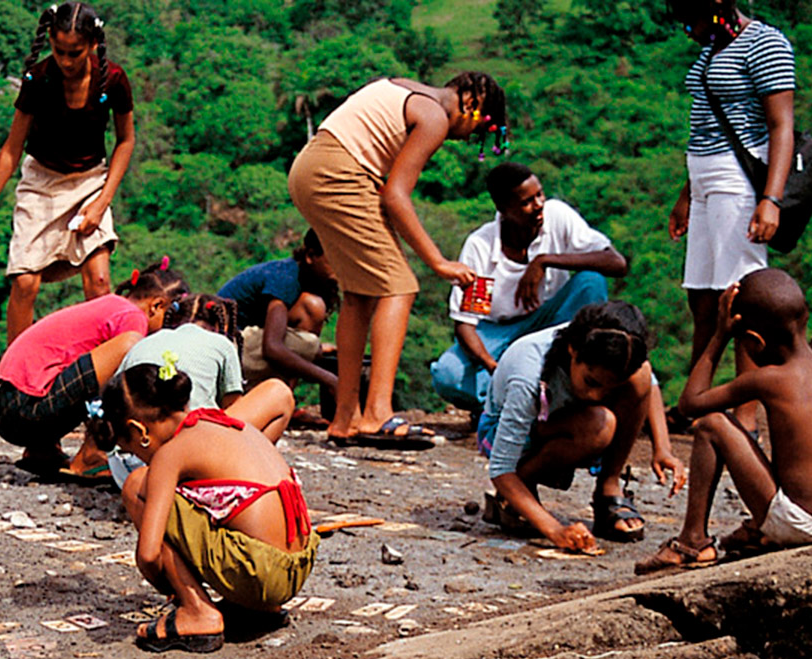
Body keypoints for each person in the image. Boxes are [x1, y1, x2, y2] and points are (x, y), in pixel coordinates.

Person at [288, 72, 507, 449]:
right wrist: (439, 262)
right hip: (339, 173)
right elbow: (396, 196)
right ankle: (377, 412)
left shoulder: (403, 85)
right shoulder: (435, 116)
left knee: (360, 293)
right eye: (480, 126)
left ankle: (345, 419)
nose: (469, 137)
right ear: (471, 101)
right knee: (400, 285)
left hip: (311, 168)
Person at [635, 268, 812, 574]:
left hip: (804, 525)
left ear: (753, 342)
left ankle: (692, 543)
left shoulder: (770, 379)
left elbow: (690, 404)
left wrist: (720, 335)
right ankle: (760, 530)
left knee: (712, 424)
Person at [88, 363, 318, 653]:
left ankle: (197, 611)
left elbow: (148, 554)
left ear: (139, 431)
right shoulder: (221, 422)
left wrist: (172, 585)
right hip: (297, 565)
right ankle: (255, 608)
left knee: (136, 485)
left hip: (258, 572)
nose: (139, 457)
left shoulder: (169, 454)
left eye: (132, 449)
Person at [0, 2, 135, 342]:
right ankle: (12, 381)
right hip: (41, 181)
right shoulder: (39, 79)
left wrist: (101, 202)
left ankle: (102, 370)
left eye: (75, 53)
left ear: (93, 45)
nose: (66, 61)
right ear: (49, 41)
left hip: (91, 180)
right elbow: (11, 148)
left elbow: (126, 141)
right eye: (59, 51)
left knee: (99, 281)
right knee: (24, 281)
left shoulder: (112, 79)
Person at [664, 0, 797, 433]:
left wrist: (771, 199)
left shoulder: (765, 43)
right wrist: (687, 193)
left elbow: (781, 125)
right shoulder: (712, 49)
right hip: (703, 179)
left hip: (737, 180)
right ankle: (695, 401)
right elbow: (705, 124)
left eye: (691, 17)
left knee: (741, 296)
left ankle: (747, 413)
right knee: (702, 297)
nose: (688, 29)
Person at [477, 301, 685, 553]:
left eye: (610, 387)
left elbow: (647, 384)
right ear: (573, 350)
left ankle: (608, 489)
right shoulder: (529, 374)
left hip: (564, 420)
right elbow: (500, 468)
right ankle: (518, 490)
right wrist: (555, 530)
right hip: (512, 435)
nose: (598, 395)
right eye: (591, 382)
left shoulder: (616, 349)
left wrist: (663, 448)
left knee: (639, 377)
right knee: (600, 424)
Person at [430, 163, 628, 419]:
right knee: (449, 374)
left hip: (552, 325)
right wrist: (493, 367)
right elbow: (466, 325)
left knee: (591, 281)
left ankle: (564, 386)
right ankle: (500, 401)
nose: (538, 205)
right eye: (527, 202)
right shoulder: (482, 246)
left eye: (539, 195)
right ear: (503, 210)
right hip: (499, 333)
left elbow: (616, 263)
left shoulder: (555, 217)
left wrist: (545, 260)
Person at [0, 260, 181, 480]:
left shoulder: (111, 305)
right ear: (157, 305)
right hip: (22, 409)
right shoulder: (133, 317)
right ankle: (92, 454)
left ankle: (42, 450)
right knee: (130, 349)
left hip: (6, 404)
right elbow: (125, 384)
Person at [118, 294, 296, 443]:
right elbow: (233, 411)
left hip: (132, 454)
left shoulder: (146, 342)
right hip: (191, 448)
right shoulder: (222, 344)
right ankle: (243, 471)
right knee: (279, 393)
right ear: (222, 326)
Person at [219, 231, 341, 421]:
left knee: (311, 313)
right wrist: (329, 380)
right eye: (333, 258)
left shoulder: (302, 277)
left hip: (242, 343)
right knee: (308, 344)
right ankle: (275, 400)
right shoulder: (285, 278)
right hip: (228, 349)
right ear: (310, 256)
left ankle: (285, 401)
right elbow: (273, 348)